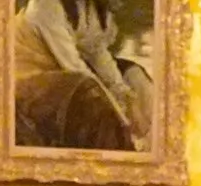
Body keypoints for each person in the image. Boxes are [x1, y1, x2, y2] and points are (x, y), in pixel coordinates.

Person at [14, 0, 151, 151]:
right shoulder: (45, 5)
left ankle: (150, 142)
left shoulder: (87, 7)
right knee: (89, 90)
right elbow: (73, 65)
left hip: (61, 72)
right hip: (28, 80)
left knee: (133, 73)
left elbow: (97, 53)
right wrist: (121, 116)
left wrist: (122, 91)